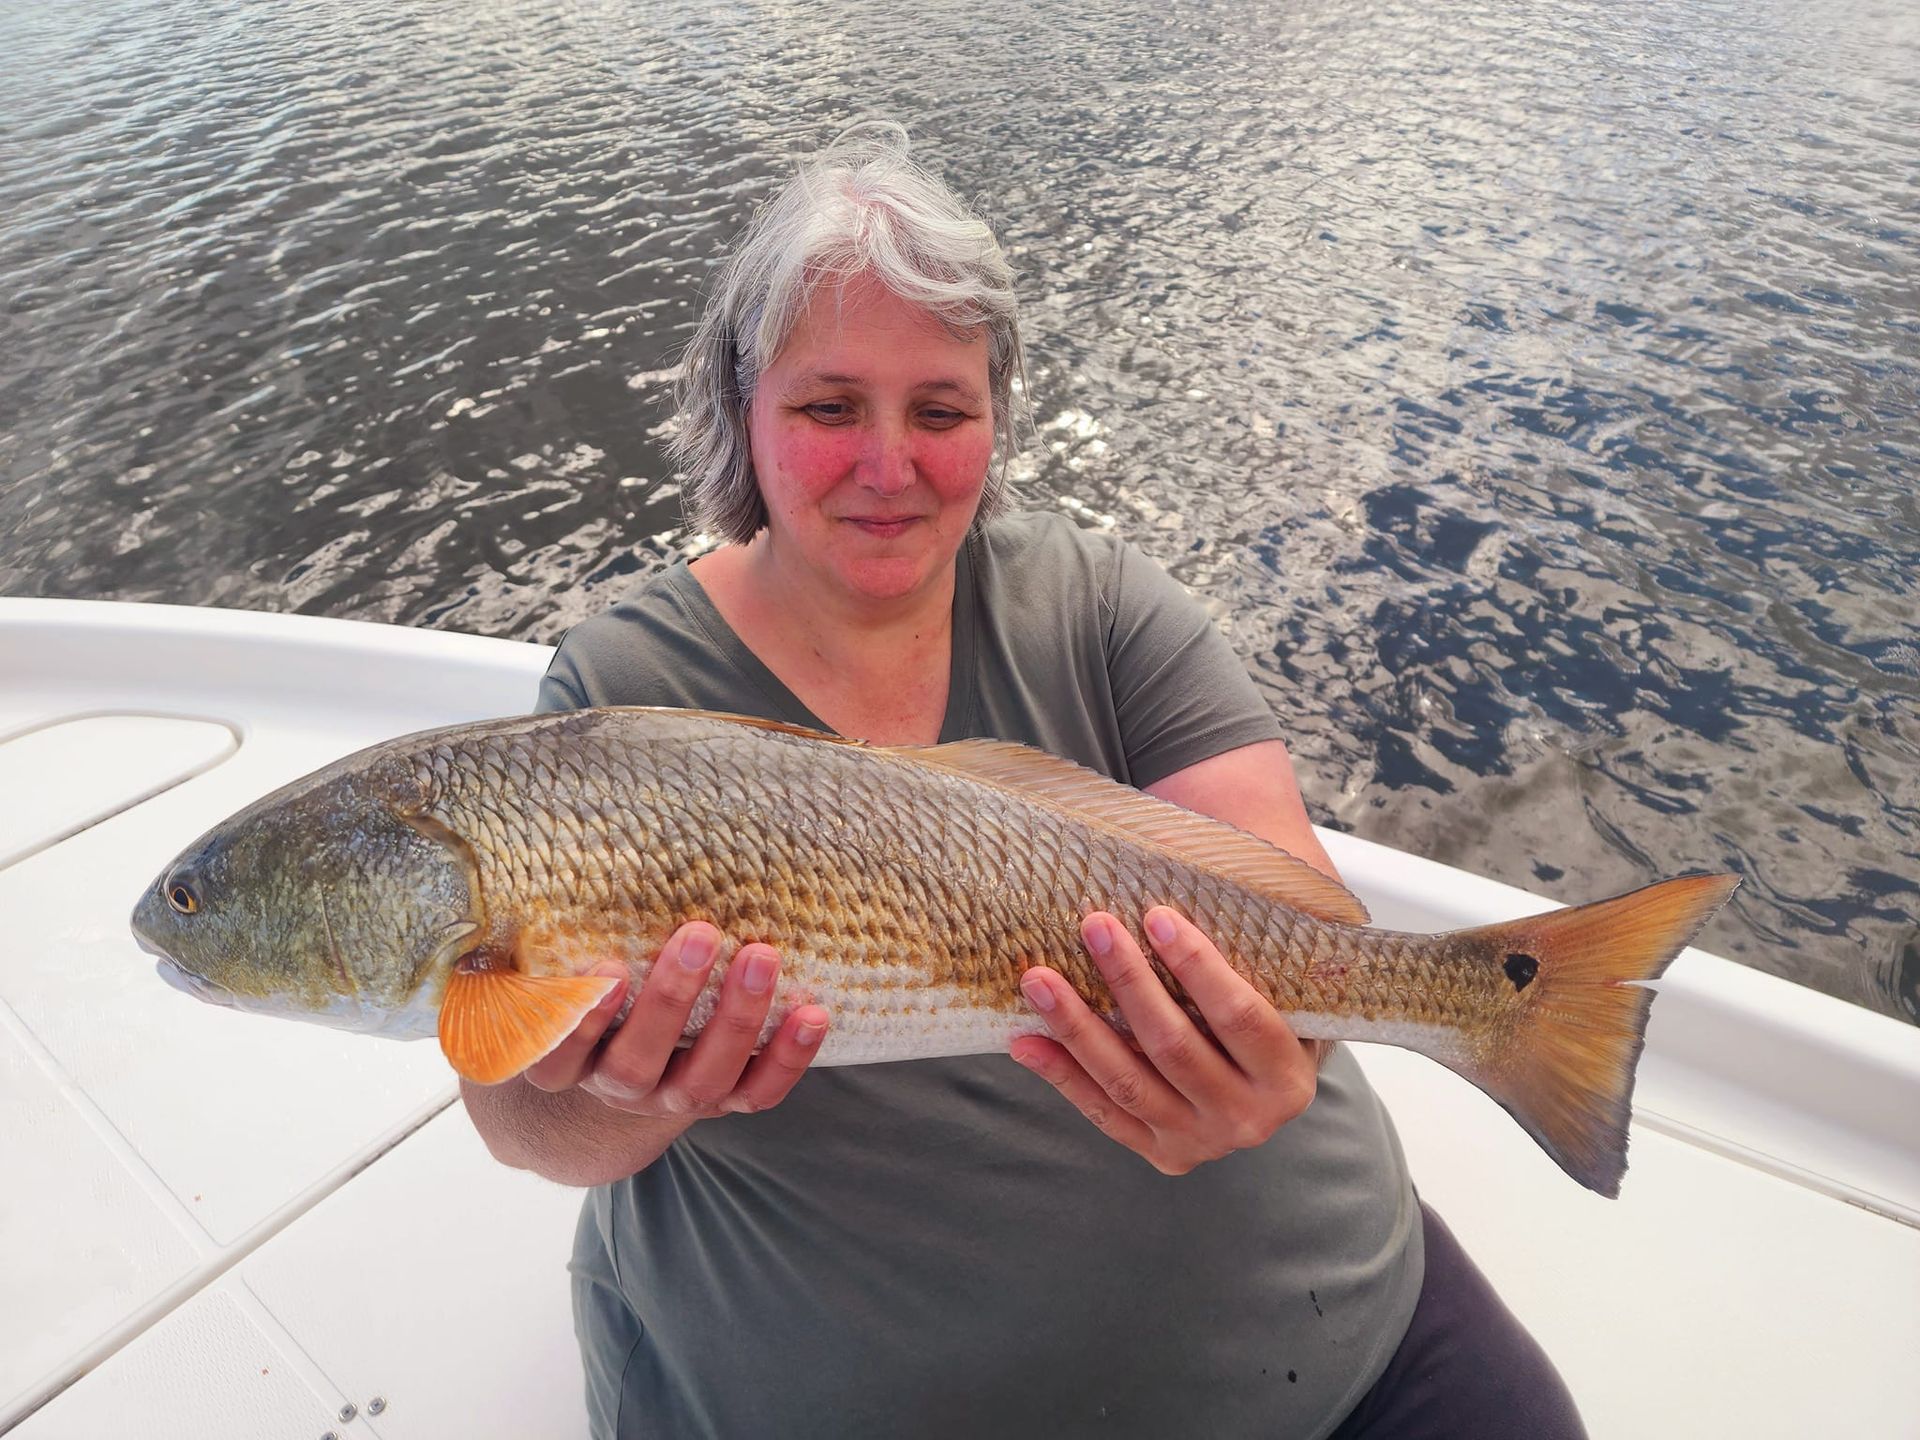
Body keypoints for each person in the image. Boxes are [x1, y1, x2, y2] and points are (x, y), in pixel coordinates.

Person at [460, 121, 1585, 1440]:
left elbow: (1300, 915)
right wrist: (602, 1094)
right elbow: (524, 1124)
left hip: (1348, 1341)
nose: (892, 465)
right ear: (740, 411)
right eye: (830, 408)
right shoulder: (622, 689)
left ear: (996, 419)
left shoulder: (1105, 605)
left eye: (941, 409)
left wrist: (1275, 1054)